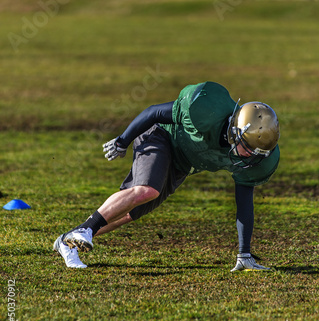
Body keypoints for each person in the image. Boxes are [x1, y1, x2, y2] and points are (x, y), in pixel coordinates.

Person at [53, 81, 280, 272]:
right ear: (234, 130)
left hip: (183, 162)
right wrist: (123, 141)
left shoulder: (253, 158)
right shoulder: (206, 111)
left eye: (256, 153)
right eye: (247, 148)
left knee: (129, 214)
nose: (249, 157)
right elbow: (154, 112)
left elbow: (244, 203)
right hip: (160, 135)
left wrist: (244, 253)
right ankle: (84, 231)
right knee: (146, 190)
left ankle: (69, 241)